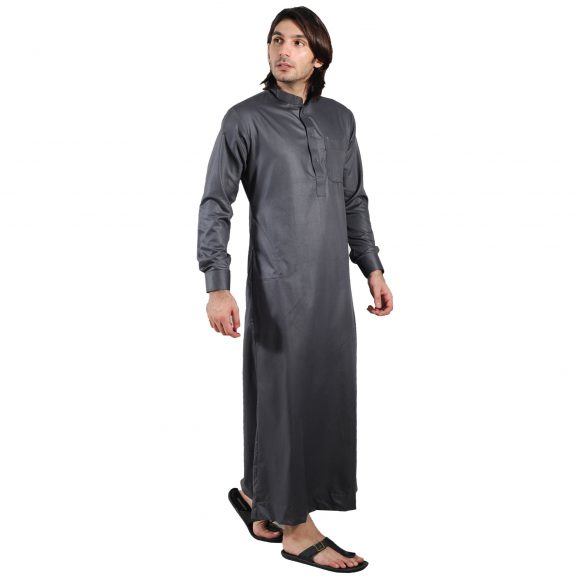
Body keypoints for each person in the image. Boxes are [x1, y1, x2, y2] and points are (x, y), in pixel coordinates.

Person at [197, 7, 393, 572]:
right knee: (282, 399)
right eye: (276, 40)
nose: (284, 50)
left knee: (324, 397)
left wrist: (372, 268)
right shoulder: (245, 119)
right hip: (277, 285)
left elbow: (352, 199)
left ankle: (260, 496)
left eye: (299, 43)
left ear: (319, 56)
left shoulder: (339, 120)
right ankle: (296, 529)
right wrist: (217, 284)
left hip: (331, 289)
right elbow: (216, 201)